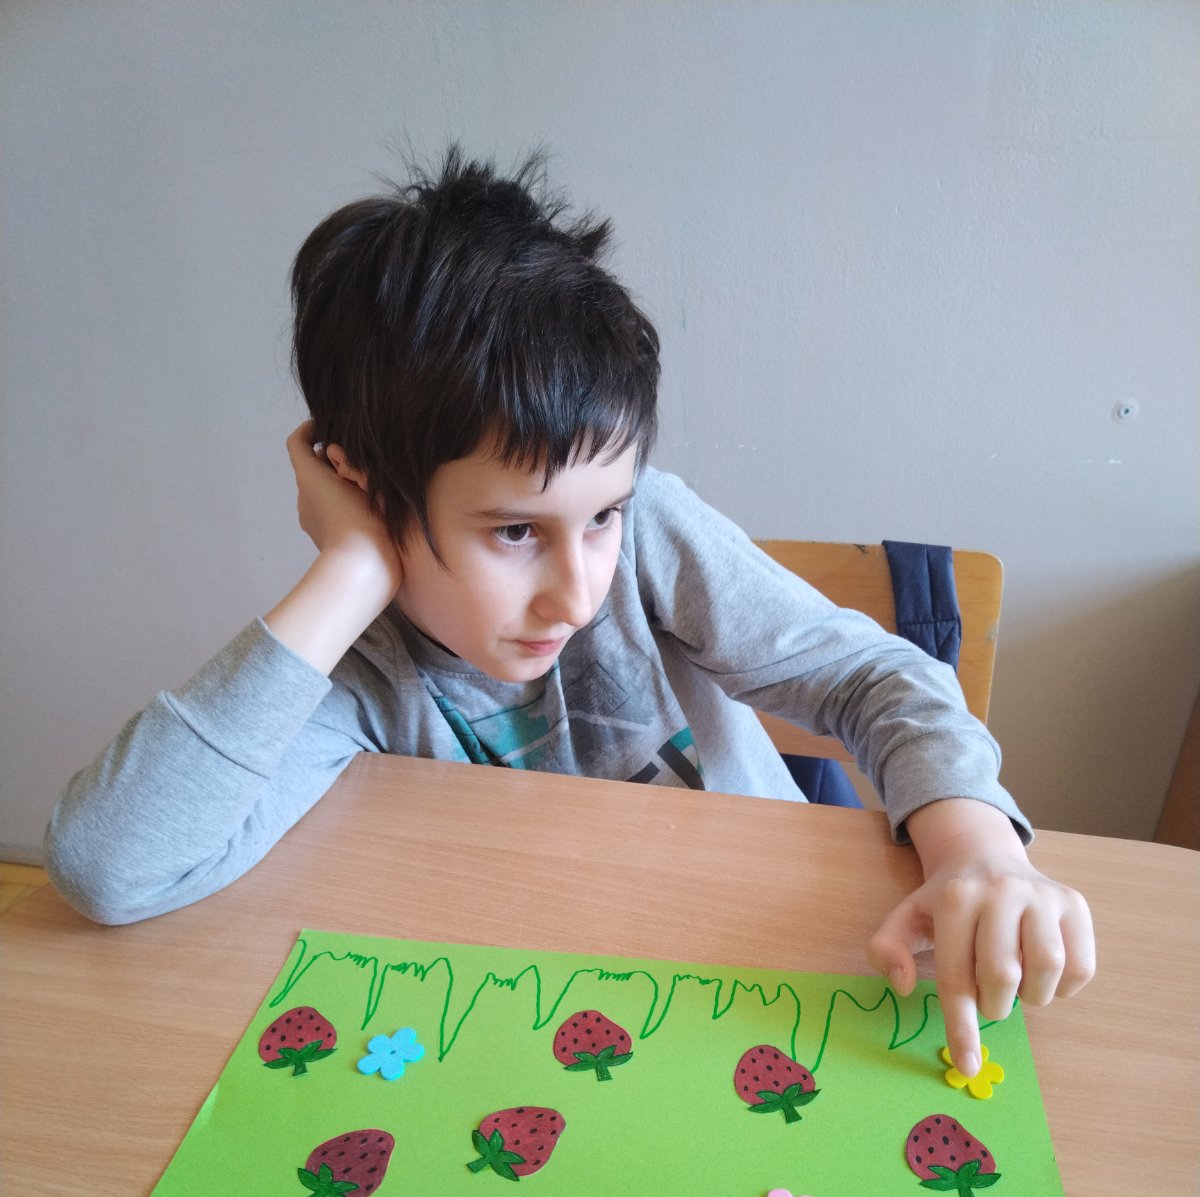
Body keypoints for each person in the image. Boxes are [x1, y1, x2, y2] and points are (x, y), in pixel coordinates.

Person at [43, 148, 1095, 1077]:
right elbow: (111, 868)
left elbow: (873, 677)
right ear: (361, 487)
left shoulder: (652, 539)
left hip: (760, 986)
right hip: (531, 1027)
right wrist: (351, 572)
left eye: (602, 516)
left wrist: (976, 847)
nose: (579, 592)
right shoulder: (361, 670)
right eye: (514, 532)